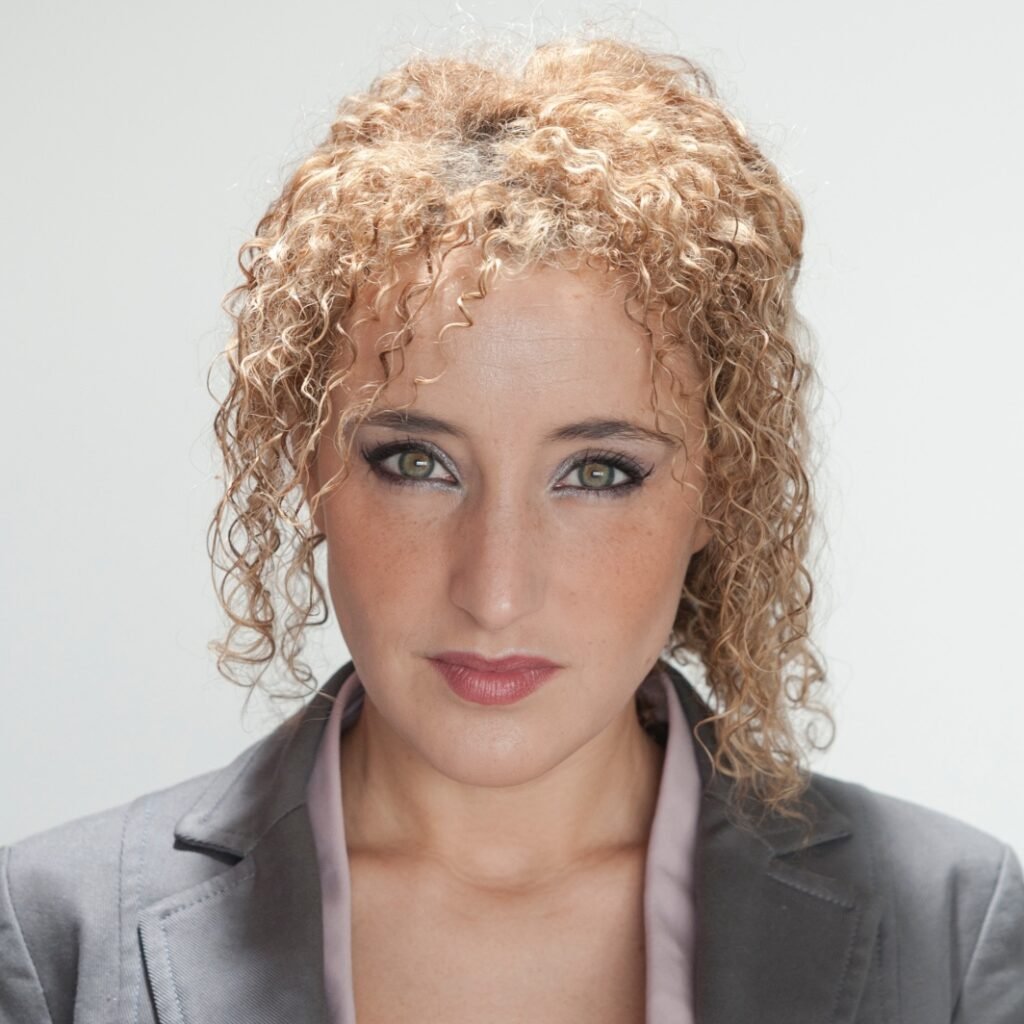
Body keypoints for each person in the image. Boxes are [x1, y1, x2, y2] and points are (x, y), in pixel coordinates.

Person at [1, 35, 1021, 1024]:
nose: (494, 591)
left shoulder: (950, 925)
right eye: (416, 462)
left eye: (597, 473)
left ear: (721, 489)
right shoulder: (56, 935)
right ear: (309, 466)